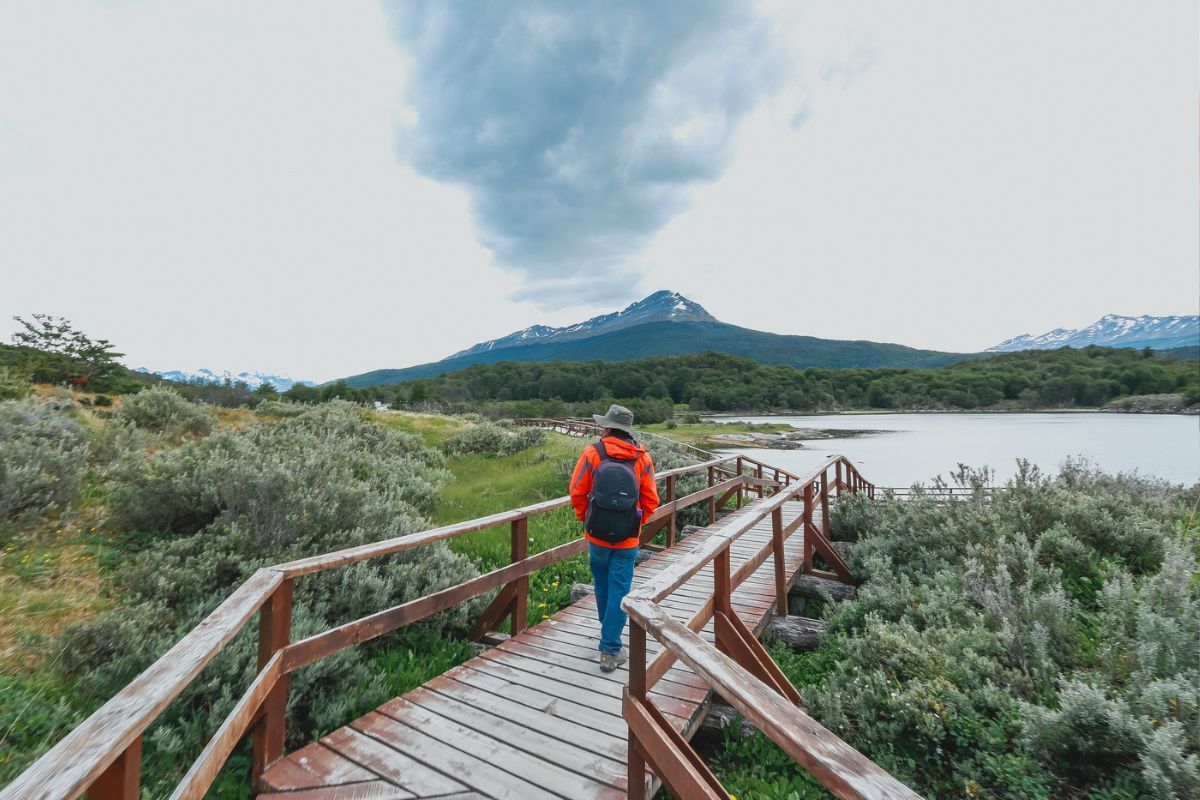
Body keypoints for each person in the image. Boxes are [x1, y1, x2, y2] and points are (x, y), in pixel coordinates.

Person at [569, 404, 659, 672]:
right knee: (619, 588)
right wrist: (635, 524)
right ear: (628, 430)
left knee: (601, 583)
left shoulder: (592, 453)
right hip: (627, 539)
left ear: (607, 428)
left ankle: (608, 635)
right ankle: (609, 648)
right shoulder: (642, 458)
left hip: (595, 534)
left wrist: (586, 519)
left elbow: (576, 491)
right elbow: (651, 500)